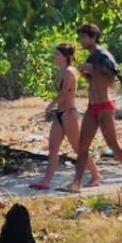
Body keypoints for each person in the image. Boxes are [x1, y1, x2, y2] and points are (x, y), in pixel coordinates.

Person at [67, 23, 122, 192]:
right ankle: (76, 183)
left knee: (113, 144)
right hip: (92, 106)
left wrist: (91, 70)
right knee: (82, 146)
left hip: (105, 106)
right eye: (80, 37)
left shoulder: (102, 55)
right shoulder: (92, 57)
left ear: (93, 37)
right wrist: (86, 72)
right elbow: (93, 81)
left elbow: (107, 81)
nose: (82, 41)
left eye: (84, 37)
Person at [30, 43, 102, 191]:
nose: (54, 57)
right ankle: (46, 181)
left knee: (78, 148)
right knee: (53, 148)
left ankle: (96, 176)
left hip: (69, 113)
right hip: (59, 114)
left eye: (57, 54)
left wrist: (50, 105)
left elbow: (64, 93)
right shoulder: (61, 71)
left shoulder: (70, 71)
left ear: (65, 56)